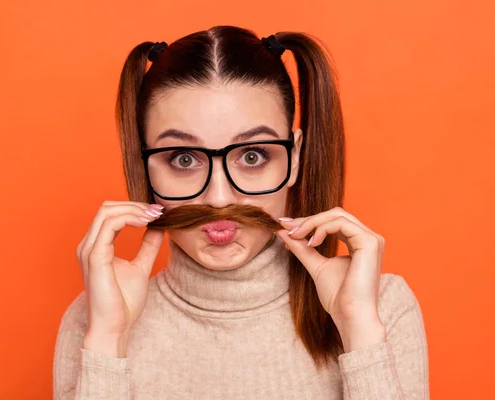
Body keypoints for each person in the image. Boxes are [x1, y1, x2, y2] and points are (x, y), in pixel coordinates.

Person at [53, 25, 429, 399]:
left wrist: (359, 331)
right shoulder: (95, 318)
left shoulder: (379, 308)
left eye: (252, 156)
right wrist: (108, 338)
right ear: (144, 165)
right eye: (183, 159)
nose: (219, 198)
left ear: (294, 159)